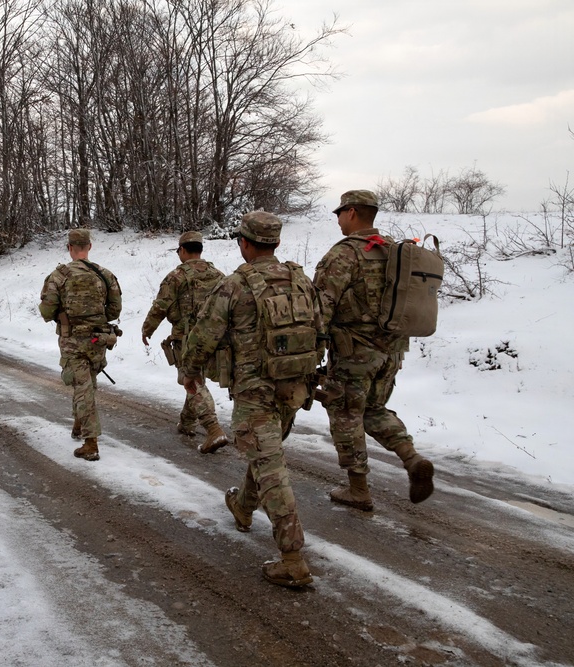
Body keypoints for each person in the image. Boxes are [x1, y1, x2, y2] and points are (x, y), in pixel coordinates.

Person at [181, 211, 322, 588]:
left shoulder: (235, 285)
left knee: (270, 465)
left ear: (245, 243)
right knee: (266, 454)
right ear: (275, 243)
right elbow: (320, 330)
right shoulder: (300, 279)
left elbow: (203, 335)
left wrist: (189, 371)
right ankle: (243, 507)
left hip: (256, 390)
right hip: (294, 387)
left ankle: (292, 558)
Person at [313, 190, 435, 511]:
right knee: (373, 410)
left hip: (353, 355)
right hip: (391, 353)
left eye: (340, 213)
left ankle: (358, 489)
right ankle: (411, 459)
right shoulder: (394, 251)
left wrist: (309, 353)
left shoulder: (344, 255)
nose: (338, 219)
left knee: (346, 414)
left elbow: (319, 310)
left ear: (352, 212)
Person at [141, 232, 230, 454]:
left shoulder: (176, 276)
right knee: (196, 379)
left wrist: (147, 329)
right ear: (200, 249)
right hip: (215, 338)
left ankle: (213, 429)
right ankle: (187, 422)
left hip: (187, 339)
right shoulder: (218, 275)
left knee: (191, 381)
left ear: (182, 250)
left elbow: (160, 306)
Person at [39, 228, 122, 462]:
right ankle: (79, 424)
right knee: (86, 383)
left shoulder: (58, 276)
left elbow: (46, 311)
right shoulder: (104, 275)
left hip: (72, 340)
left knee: (82, 386)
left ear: (69, 248)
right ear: (89, 247)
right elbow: (114, 310)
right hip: (98, 339)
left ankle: (91, 442)